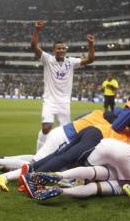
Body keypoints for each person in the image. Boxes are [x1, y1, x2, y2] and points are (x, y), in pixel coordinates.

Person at [31, 20, 95, 151]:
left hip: (64, 102)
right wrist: (37, 30)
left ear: (65, 50)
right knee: (46, 127)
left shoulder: (71, 62)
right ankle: (38, 153)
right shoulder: (48, 59)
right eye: (58, 48)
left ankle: (60, 154)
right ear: (54, 50)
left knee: (65, 132)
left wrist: (91, 44)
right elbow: (34, 46)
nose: (61, 50)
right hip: (50, 100)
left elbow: (90, 59)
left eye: (63, 48)